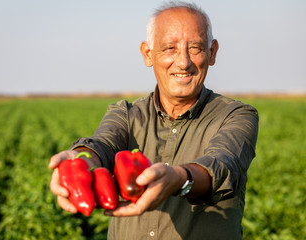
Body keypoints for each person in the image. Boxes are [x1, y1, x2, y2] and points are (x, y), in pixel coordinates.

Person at [49, 1, 259, 239]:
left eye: (196, 48)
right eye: (170, 48)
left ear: (212, 53)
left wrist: (180, 178)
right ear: (148, 54)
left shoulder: (236, 116)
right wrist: (82, 158)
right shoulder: (126, 114)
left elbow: (222, 164)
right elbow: (103, 144)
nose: (183, 62)